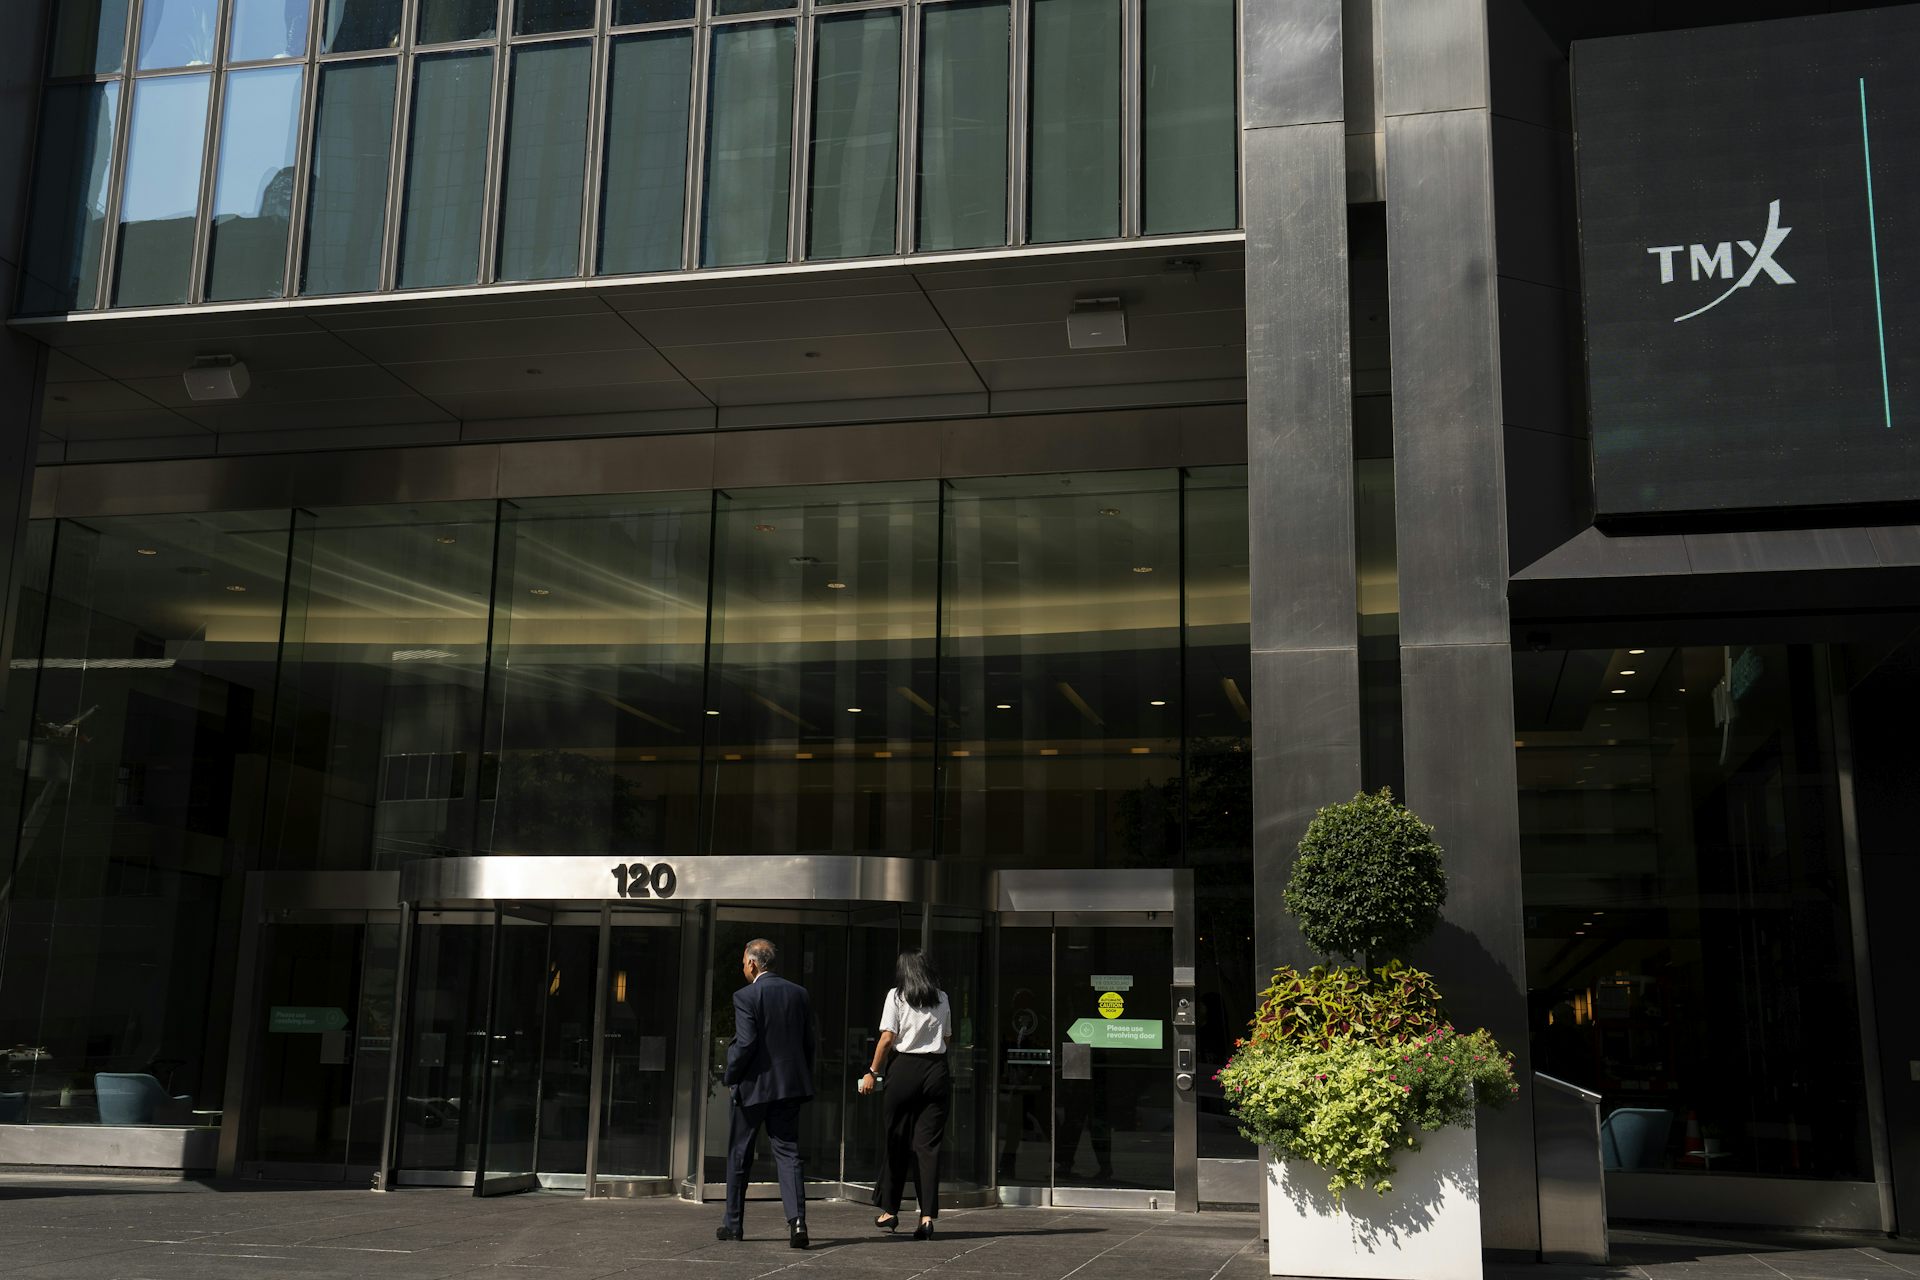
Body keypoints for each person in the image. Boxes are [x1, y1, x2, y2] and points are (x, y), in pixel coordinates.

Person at [717, 939, 816, 1249]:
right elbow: (809, 1042)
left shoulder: (746, 996)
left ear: (752, 964)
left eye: (743, 963)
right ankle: (797, 1222)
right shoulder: (799, 993)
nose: (742, 968)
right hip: (789, 1087)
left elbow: (746, 1044)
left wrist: (730, 1074)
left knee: (739, 1154)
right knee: (788, 1153)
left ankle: (733, 1225)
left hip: (752, 1088)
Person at [858, 949, 951, 1240]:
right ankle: (926, 1217)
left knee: (896, 1139)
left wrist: (872, 1071)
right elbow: (947, 1037)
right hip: (937, 1070)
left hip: (904, 1070)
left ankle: (890, 1210)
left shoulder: (896, 996)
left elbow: (887, 1038)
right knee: (928, 1146)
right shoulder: (942, 997)